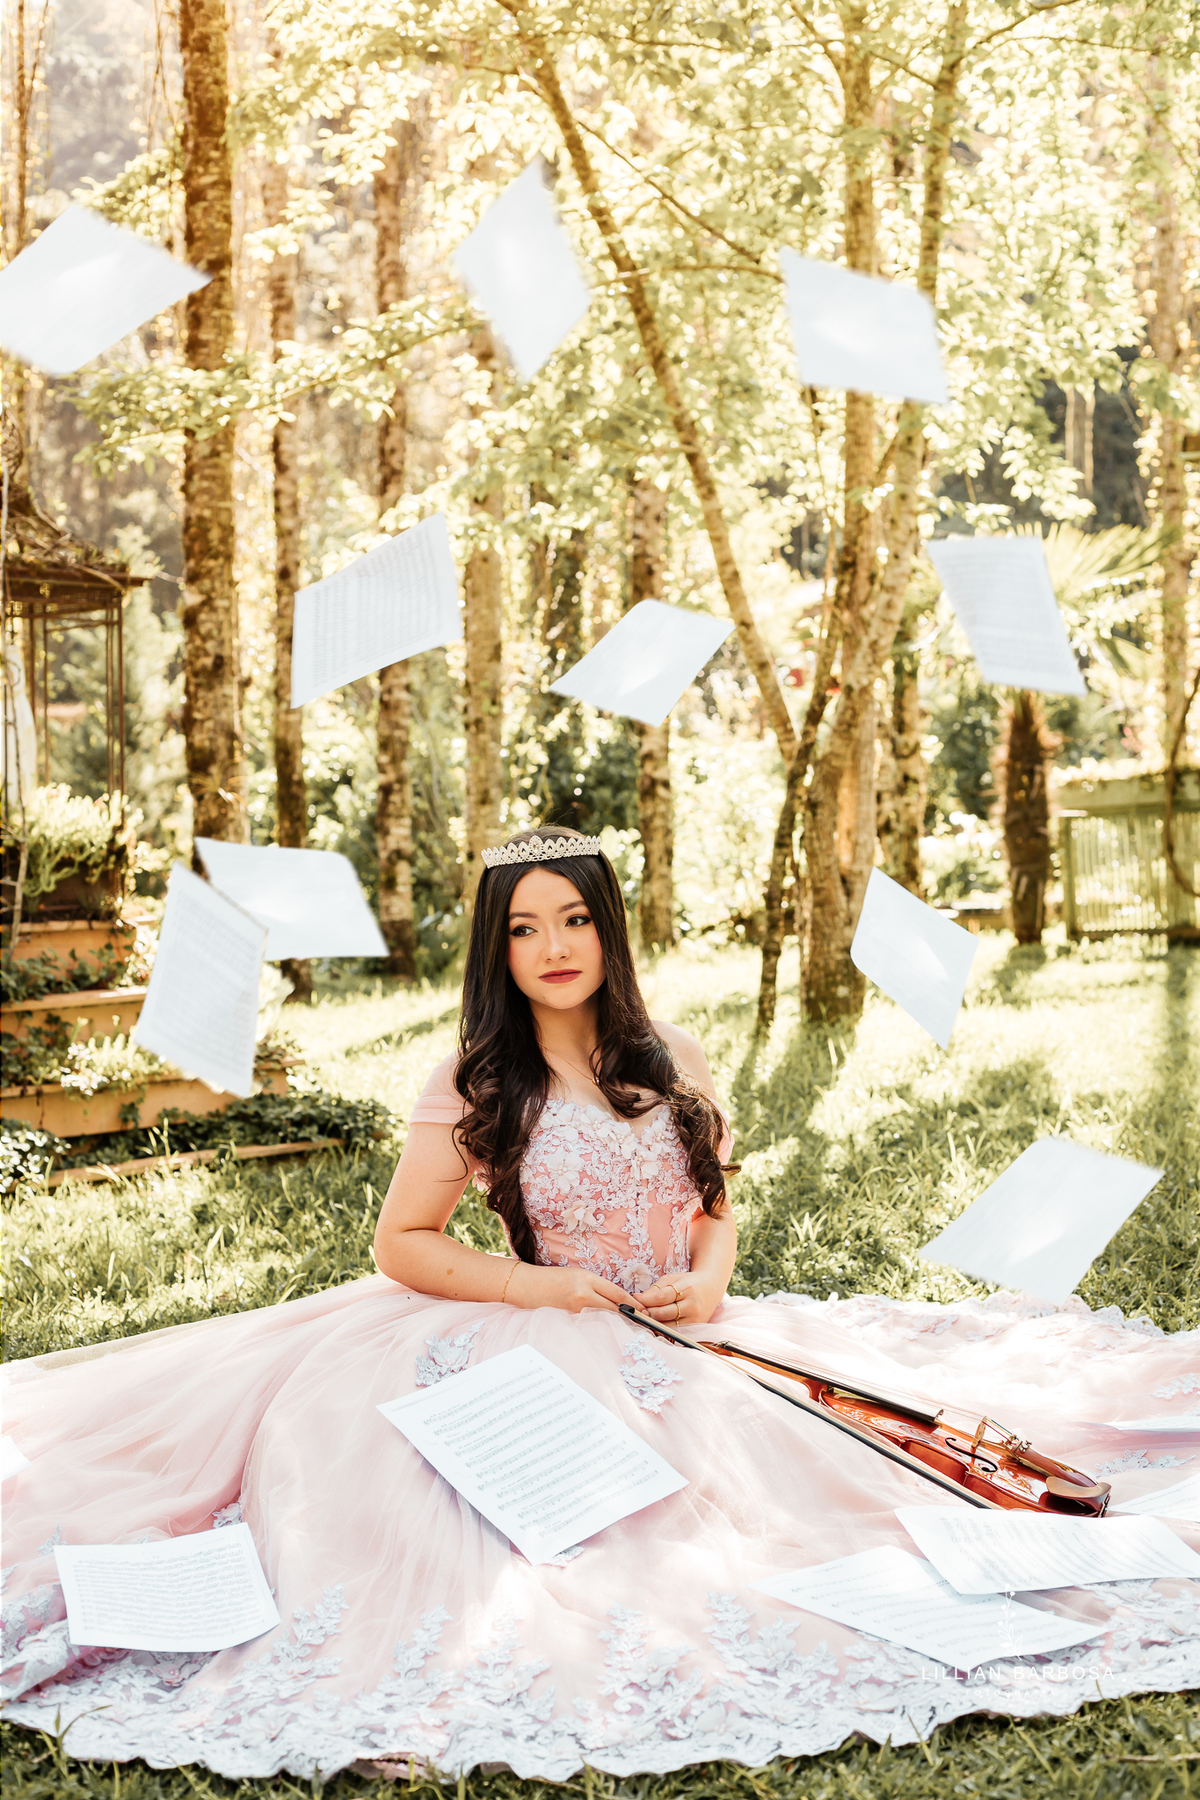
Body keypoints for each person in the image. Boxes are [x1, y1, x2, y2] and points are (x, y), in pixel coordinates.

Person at [3, 827, 1197, 1783]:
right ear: (498, 950)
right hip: (545, 1320)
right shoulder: (476, 1079)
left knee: (846, 1477)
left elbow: (717, 1202)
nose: (554, 945)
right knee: (527, 1525)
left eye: (574, 917)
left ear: (606, 928)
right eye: (524, 928)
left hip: (689, 1327)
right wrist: (541, 1284)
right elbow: (402, 1244)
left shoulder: (669, 1054)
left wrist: (714, 1276)